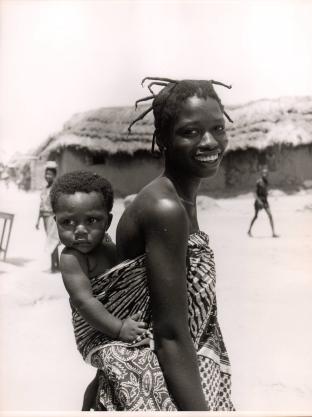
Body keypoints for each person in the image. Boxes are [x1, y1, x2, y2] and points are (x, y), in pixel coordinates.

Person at [82, 78, 235, 411]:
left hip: (167, 378)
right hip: (155, 389)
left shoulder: (177, 201)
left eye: (218, 128)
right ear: (163, 139)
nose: (210, 141)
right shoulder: (164, 208)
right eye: (190, 132)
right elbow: (169, 337)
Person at [50, 170, 148, 410]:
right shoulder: (72, 257)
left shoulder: (106, 244)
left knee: (104, 376)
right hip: (95, 330)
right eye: (67, 222)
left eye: (91, 220)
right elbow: (83, 301)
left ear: (108, 221)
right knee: (118, 363)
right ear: (56, 222)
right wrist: (119, 328)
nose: (80, 230)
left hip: (116, 322)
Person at [35, 161, 60, 272]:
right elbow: (41, 206)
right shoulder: (44, 189)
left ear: (54, 175)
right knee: (51, 240)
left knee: (52, 240)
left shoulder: (56, 188)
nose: (47, 176)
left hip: (53, 217)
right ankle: (57, 265)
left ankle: (53, 267)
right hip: (45, 218)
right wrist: (37, 220)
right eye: (46, 174)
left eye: (50, 174)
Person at [248, 166, 279, 237]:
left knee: (270, 215)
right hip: (258, 202)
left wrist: (268, 194)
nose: (265, 174)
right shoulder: (258, 182)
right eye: (264, 173)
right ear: (261, 174)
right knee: (256, 216)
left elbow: (264, 192)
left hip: (265, 202)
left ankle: (273, 233)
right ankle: (249, 230)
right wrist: (259, 201)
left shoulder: (266, 182)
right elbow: (255, 193)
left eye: (266, 173)